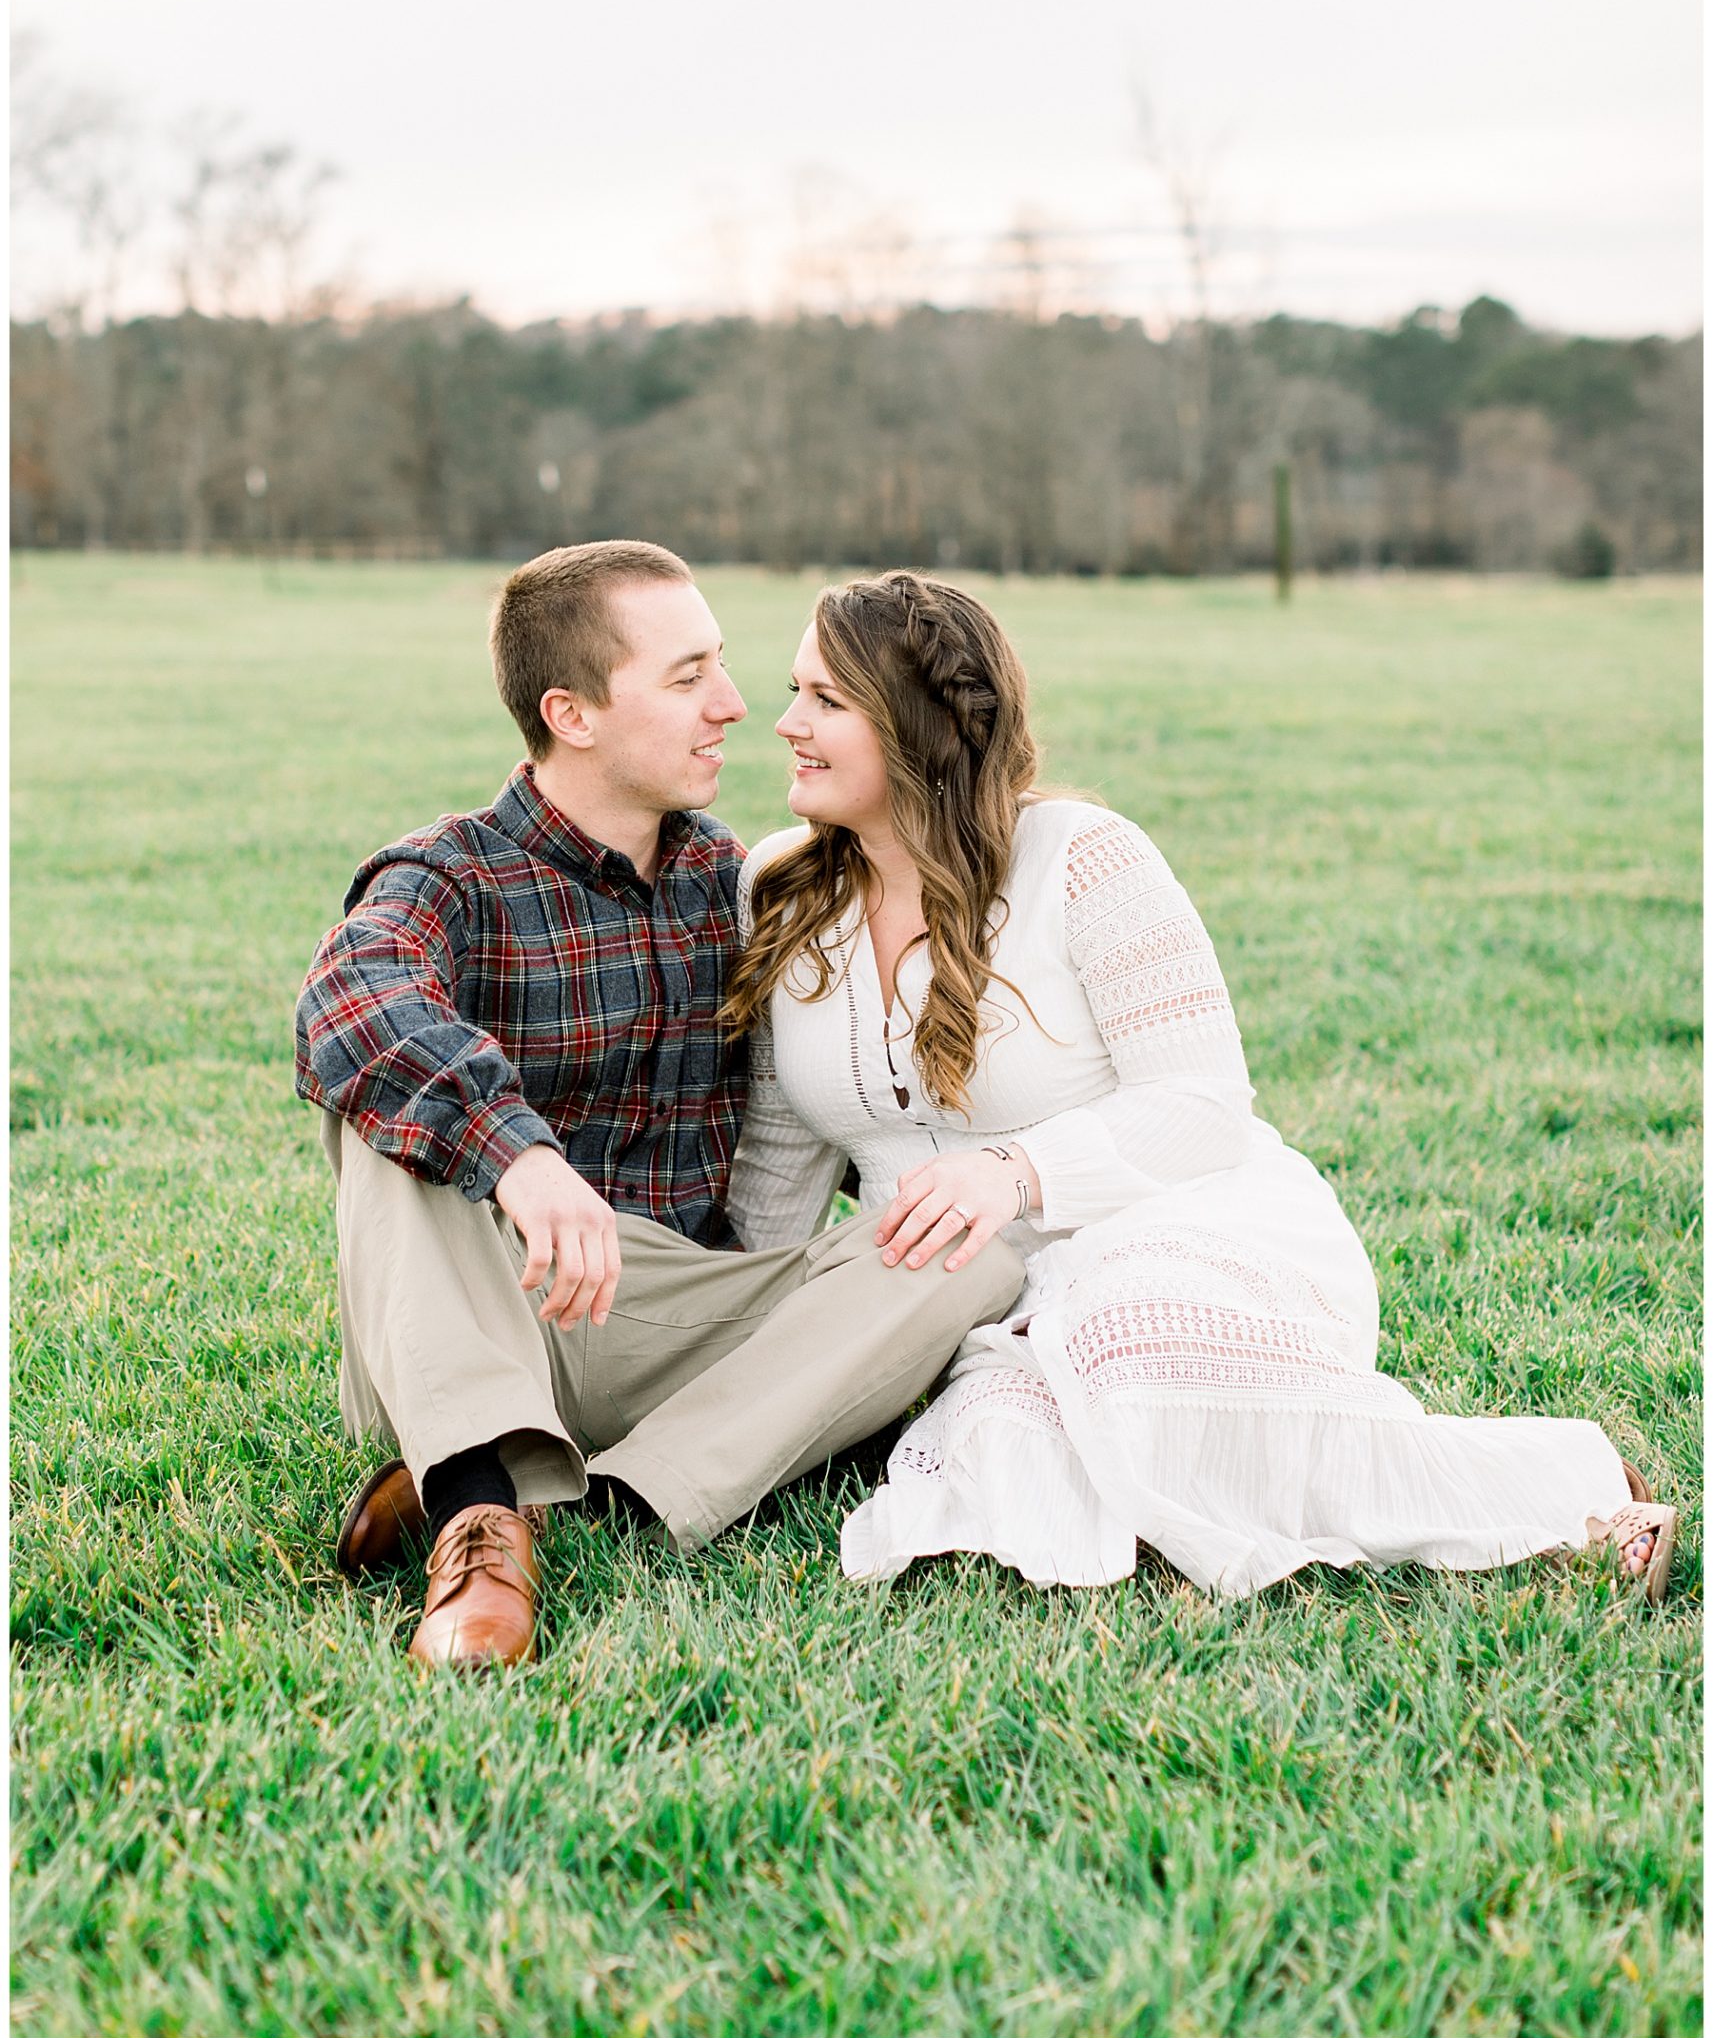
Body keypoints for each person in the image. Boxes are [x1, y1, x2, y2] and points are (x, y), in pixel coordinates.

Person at [720, 569, 1678, 1604]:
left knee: (1122, 1358)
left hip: (1180, 1227)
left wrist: (1018, 1171)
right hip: (973, 1307)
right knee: (1009, 1457)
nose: (785, 723)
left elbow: (1203, 1106)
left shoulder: (1083, 859)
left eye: (826, 700)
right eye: (792, 691)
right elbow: (781, 1154)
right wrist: (734, 1331)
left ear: (917, 726)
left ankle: (1571, 1494)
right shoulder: (779, 886)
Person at [295, 540, 1024, 1670]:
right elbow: (353, 999)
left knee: (972, 1251)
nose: (734, 707)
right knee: (385, 1107)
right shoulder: (449, 875)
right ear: (573, 713)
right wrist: (522, 1159)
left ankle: (608, 1497)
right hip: (484, 1297)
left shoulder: (736, 883)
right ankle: (480, 1513)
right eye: (688, 678)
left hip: (667, 1316)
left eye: (722, 669)